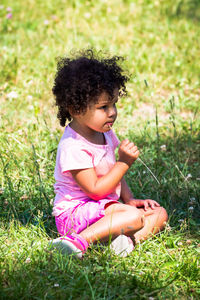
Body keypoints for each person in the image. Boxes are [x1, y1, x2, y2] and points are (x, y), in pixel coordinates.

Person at [50, 49, 168, 258]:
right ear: (75, 109)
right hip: (76, 214)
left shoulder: (104, 133)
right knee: (132, 217)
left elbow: (112, 176)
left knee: (159, 213)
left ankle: (124, 242)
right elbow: (95, 191)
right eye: (103, 107)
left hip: (103, 208)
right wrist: (123, 163)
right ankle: (76, 242)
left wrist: (129, 199)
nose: (112, 112)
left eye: (113, 104)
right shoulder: (73, 146)